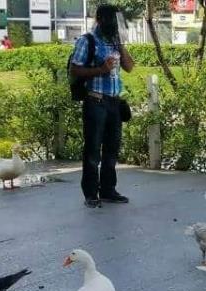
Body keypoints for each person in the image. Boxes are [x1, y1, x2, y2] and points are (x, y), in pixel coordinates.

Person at [70, 4, 135, 207]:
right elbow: (75, 70)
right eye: (110, 21)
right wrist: (101, 69)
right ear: (99, 19)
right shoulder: (87, 40)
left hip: (114, 102)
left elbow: (130, 67)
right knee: (92, 150)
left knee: (112, 149)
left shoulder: (115, 41)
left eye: (116, 22)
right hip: (95, 100)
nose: (114, 25)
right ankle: (91, 193)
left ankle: (108, 190)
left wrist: (121, 43)